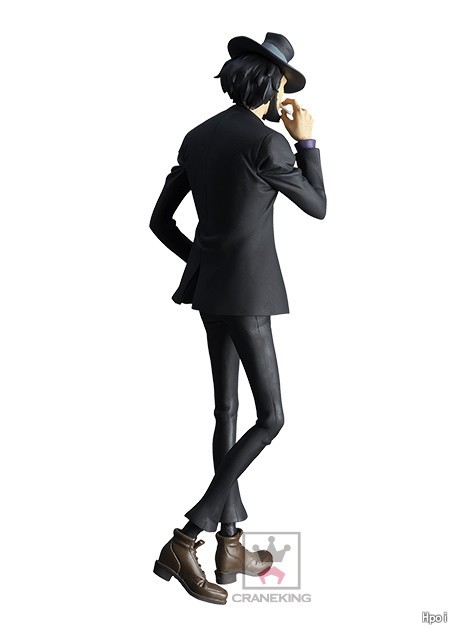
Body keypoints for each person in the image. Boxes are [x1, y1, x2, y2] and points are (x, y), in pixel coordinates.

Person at [149, 32, 327, 605]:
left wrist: (204, 263)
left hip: (210, 294)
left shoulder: (197, 136)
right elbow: (318, 206)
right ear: (268, 85)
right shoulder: (269, 144)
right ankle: (187, 538)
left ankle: (230, 545)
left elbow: (159, 221)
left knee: (226, 412)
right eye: (283, 87)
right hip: (249, 298)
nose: (285, 98)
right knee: (271, 418)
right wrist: (308, 141)